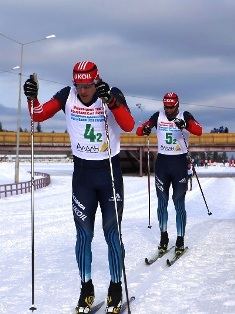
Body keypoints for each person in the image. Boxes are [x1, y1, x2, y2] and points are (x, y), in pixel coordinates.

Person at [23, 61, 135, 314]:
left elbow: (128, 126)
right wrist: (32, 96)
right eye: (79, 84)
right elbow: (38, 114)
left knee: (112, 235)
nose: (82, 90)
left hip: (109, 173)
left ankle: (115, 289)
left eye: (87, 85)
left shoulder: (112, 93)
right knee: (84, 236)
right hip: (83, 175)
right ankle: (86, 290)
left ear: (96, 81)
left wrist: (113, 103)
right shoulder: (67, 95)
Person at [136, 92, 202, 255]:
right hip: (163, 164)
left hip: (179, 163)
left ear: (177, 105)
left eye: (171, 107)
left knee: (179, 202)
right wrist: (144, 129)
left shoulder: (184, 115)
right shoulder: (158, 116)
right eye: (166, 106)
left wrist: (185, 124)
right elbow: (139, 130)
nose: (168, 110)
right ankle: (163, 237)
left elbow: (199, 130)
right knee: (162, 202)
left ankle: (180, 239)